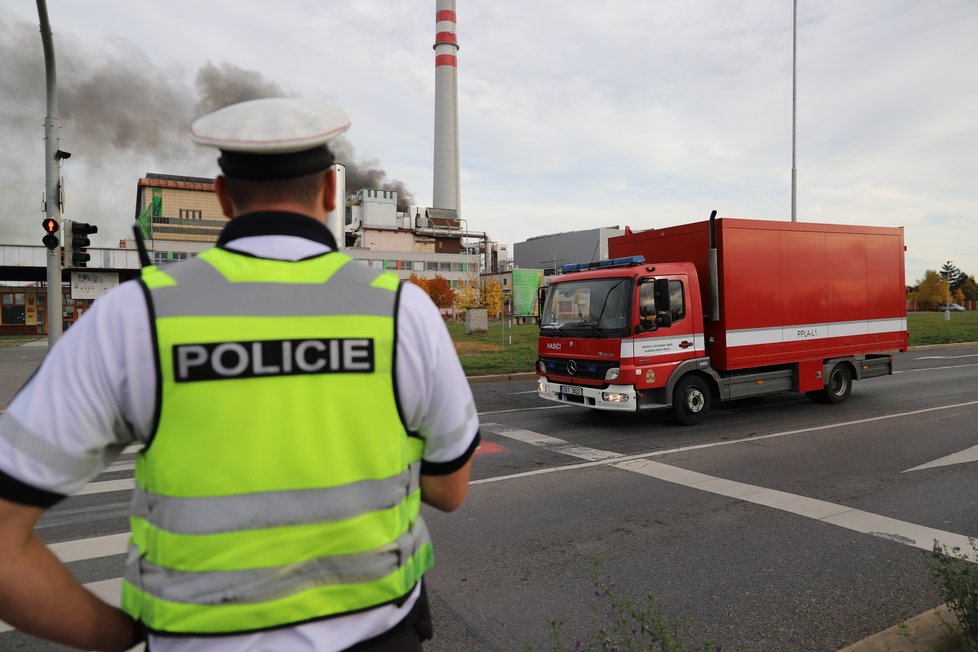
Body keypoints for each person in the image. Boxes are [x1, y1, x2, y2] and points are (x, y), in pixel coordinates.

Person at [0, 97, 480, 651]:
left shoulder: (135, 317)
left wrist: (111, 635)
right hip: (380, 636)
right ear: (330, 192)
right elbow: (449, 489)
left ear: (224, 197)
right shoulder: (402, 311)